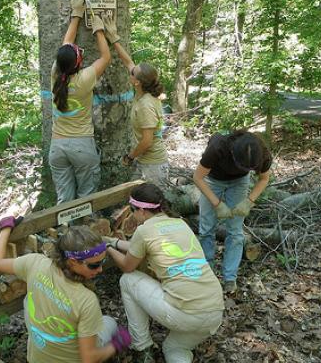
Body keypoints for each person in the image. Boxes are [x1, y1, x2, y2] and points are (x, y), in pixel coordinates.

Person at [105, 183, 224, 363]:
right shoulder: (179, 223)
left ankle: (142, 348)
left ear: (142, 211)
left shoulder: (144, 230)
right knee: (174, 348)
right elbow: (141, 248)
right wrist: (114, 243)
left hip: (185, 314)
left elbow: (128, 265)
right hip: (214, 313)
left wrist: (108, 247)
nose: (133, 215)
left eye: (133, 210)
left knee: (128, 280)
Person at [0, 216, 131, 363]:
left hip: (36, 359)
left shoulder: (35, 263)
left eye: (102, 261)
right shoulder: (86, 300)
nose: (100, 269)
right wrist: (117, 344)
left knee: (28, 301)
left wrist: (6, 228)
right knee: (109, 323)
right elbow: (89, 359)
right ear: (72, 261)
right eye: (94, 265)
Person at [49, 0, 111, 204]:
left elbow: (66, 44)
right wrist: (99, 29)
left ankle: (64, 231)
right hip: (82, 146)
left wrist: (76, 14)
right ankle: (84, 232)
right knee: (86, 198)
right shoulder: (85, 79)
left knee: (64, 200)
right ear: (78, 63)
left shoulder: (56, 74)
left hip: (57, 147)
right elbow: (105, 57)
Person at [193, 130, 272, 294]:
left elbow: (264, 179)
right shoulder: (218, 146)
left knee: (235, 231)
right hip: (212, 180)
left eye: (250, 168)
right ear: (233, 154)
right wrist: (217, 203)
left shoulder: (261, 153)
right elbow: (198, 177)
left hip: (239, 184)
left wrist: (249, 202)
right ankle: (207, 272)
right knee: (206, 228)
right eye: (242, 166)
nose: (245, 168)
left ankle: (230, 278)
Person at [101, 14, 168, 188]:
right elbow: (128, 62)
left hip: (153, 164)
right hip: (147, 160)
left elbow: (147, 141)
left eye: (133, 72)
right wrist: (114, 37)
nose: (130, 70)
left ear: (136, 81)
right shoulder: (144, 91)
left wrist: (130, 157)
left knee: (153, 205)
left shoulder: (146, 105)